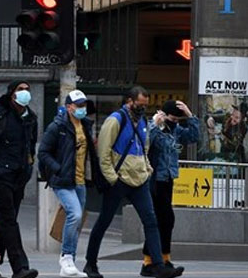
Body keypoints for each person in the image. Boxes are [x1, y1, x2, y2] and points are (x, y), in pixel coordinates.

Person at [83, 86, 184, 278]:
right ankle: (91, 263)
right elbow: (103, 152)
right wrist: (112, 178)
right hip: (119, 180)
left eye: (145, 105)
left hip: (139, 180)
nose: (143, 108)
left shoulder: (143, 121)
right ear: (129, 101)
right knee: (104, 221)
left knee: (151, 221)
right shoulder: (115, 120)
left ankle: (157, 265)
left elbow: (144, 148)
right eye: (140, 104)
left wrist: (147, 169)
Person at [0, 80, 39, 278]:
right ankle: (19, 267)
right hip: (0, 176)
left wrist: (28, 170)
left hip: (18, 177)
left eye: (27, 89)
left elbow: (30, 148)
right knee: (8, 221)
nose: (25, 93)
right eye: (20, 89)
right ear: (12, 93)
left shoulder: (30, 118)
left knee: (3, 224)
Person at [38, 90, 97, 278]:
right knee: (74, 214)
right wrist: (58, 168)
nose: (82, 108)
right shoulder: (58, 126)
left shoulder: (85, 125)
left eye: (84, 105)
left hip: (80, 180)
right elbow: (43, 152)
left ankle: (69, 263)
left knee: (77, 221)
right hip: (63, 180)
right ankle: (66, 257)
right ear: (69, 107)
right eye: (78, 105)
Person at [141, 100, 199, 275]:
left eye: (177, 119)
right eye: (172, 118)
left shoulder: (176, 130)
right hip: (155, 180)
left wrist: (189, 115)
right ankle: (155, 261)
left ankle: (157, 260)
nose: (175, 122)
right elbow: (145, 142)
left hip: (168, 179)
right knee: (162, 219)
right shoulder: (154, 128)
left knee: (165, 220)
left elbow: (194, 137)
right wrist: (155, 124)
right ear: (164, 115)